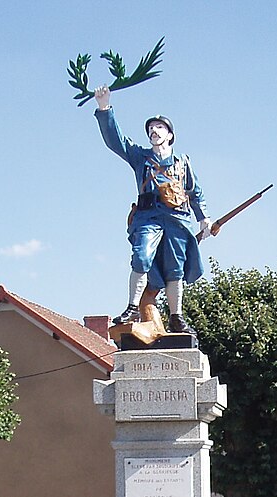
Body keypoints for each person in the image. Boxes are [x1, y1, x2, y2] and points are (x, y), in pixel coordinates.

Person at [94, 84, 212, 336]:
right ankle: (132, 307)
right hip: (148, 216)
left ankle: (176, 317)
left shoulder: (183, 162)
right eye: (150, 129)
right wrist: (105, 108)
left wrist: (203, 218)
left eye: (159, 128)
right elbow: (117, 142)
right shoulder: (141, 157)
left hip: (178, 218)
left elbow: (194, 191)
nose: (153, 131)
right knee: (142, 257)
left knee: (175, 268)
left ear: (170, 134)